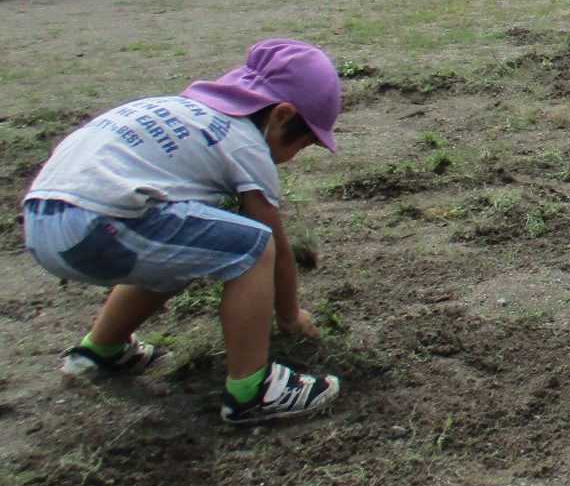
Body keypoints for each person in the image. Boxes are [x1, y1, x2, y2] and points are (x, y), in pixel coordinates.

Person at [20, 39, 343, 425]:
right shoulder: (245, 145)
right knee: (255, 246)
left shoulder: (186, 112)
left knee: (189, 245)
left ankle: (100, 351)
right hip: (96, 225)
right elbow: (275, 246)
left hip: (42, 219)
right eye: (304, 144)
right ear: (281, 115)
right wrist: (290, 316)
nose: (292, 157)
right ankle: (252, 391)